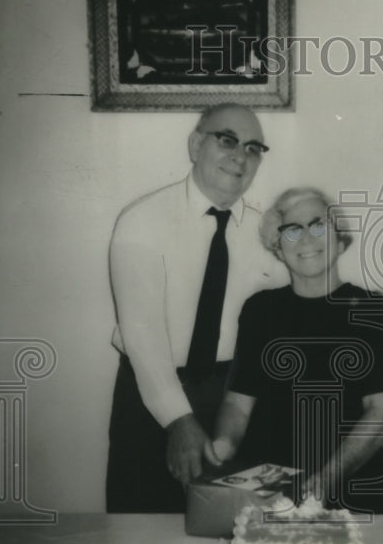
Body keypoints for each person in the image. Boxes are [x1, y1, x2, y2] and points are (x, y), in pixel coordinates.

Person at [106, 104, 286, 512]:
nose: (240, 156)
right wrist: (178, 420)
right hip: (153, 398)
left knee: (237, 535)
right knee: (145, 534)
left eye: (254, 148)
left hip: (236, 405)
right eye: (227, 140)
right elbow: (142, 334)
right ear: (195, 144)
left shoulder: (268, 234)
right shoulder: (142, 221)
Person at [204, 187, 383, 514]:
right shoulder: (259, 310)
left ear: (339, 241)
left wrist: (327, 478)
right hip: (271, 489)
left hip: (353, 487)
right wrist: (224, 444)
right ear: (278, 248)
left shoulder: (371, 309)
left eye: (319, 225)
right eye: (293, 230)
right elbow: (238, 403)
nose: (307, 239)